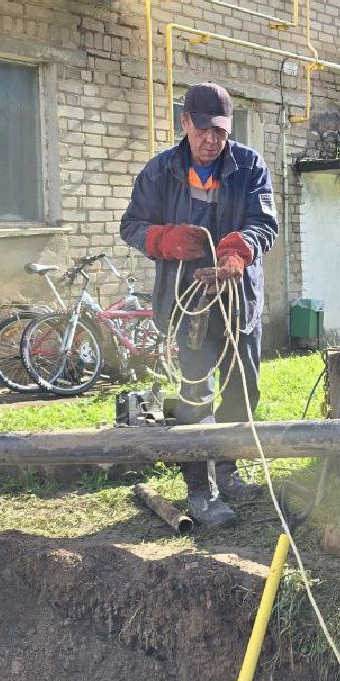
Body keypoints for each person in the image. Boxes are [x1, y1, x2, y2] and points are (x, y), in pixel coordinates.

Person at [119, 82, 278, 528]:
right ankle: (200, 489)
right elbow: (131, 225)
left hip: (237, 299)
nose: (212, 140)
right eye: (204, 129)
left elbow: (264, 223)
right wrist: (163, 238)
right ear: (185, 123)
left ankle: (227, 470)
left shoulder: (249, 166)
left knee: (244, 388)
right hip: (188, 304)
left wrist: (238, 251)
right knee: (195, 395)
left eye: (221, 132)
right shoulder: (159, 172)